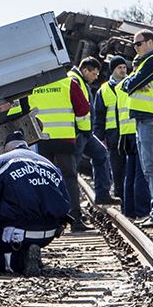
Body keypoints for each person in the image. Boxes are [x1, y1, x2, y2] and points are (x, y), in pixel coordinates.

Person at [0, 134, 73, 274]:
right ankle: (31, 251)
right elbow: (66, 204)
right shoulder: (49, 165)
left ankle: (20, 261)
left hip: (15, 233)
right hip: (49, 233)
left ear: (6, 149)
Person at [23, 70, 91, 231]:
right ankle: (75, 220)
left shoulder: (31, 85)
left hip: (40, 140)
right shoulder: (69, 83)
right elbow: (83, 109)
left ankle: (48, 221)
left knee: (42, 179)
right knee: (69, 178)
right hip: (64, 139)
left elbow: (22, 110)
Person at [119, 29, 153, 227]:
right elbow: (127, 85)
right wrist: (133, 82)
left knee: (151, 168)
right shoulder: (143, 63)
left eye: (138, 44)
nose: (135, 48)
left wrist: (134, 82)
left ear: (150, 42)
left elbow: (132, 84)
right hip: (143, 119)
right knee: (147, 168)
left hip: (151, 119)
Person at [76, 57, 114, 206]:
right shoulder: (75, 81)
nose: (96, 77)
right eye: (94, 73)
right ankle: (72, 207)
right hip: (78, 132)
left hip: (85, 133)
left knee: (101, 153)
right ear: (85, 70)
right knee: (72, 169)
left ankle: (102, 194)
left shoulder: (82, 82)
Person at [100, 57, 133, 209]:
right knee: (118, 172)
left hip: (129, 135)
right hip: (113, 137)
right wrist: (100, 137)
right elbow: (99, 115)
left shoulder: (132, 84)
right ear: (112, 69)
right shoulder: (104, 89)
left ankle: (130, 206)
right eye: (119, 67)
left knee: (131, 173)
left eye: (124, 67)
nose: (123, 70)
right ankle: (121, 203)